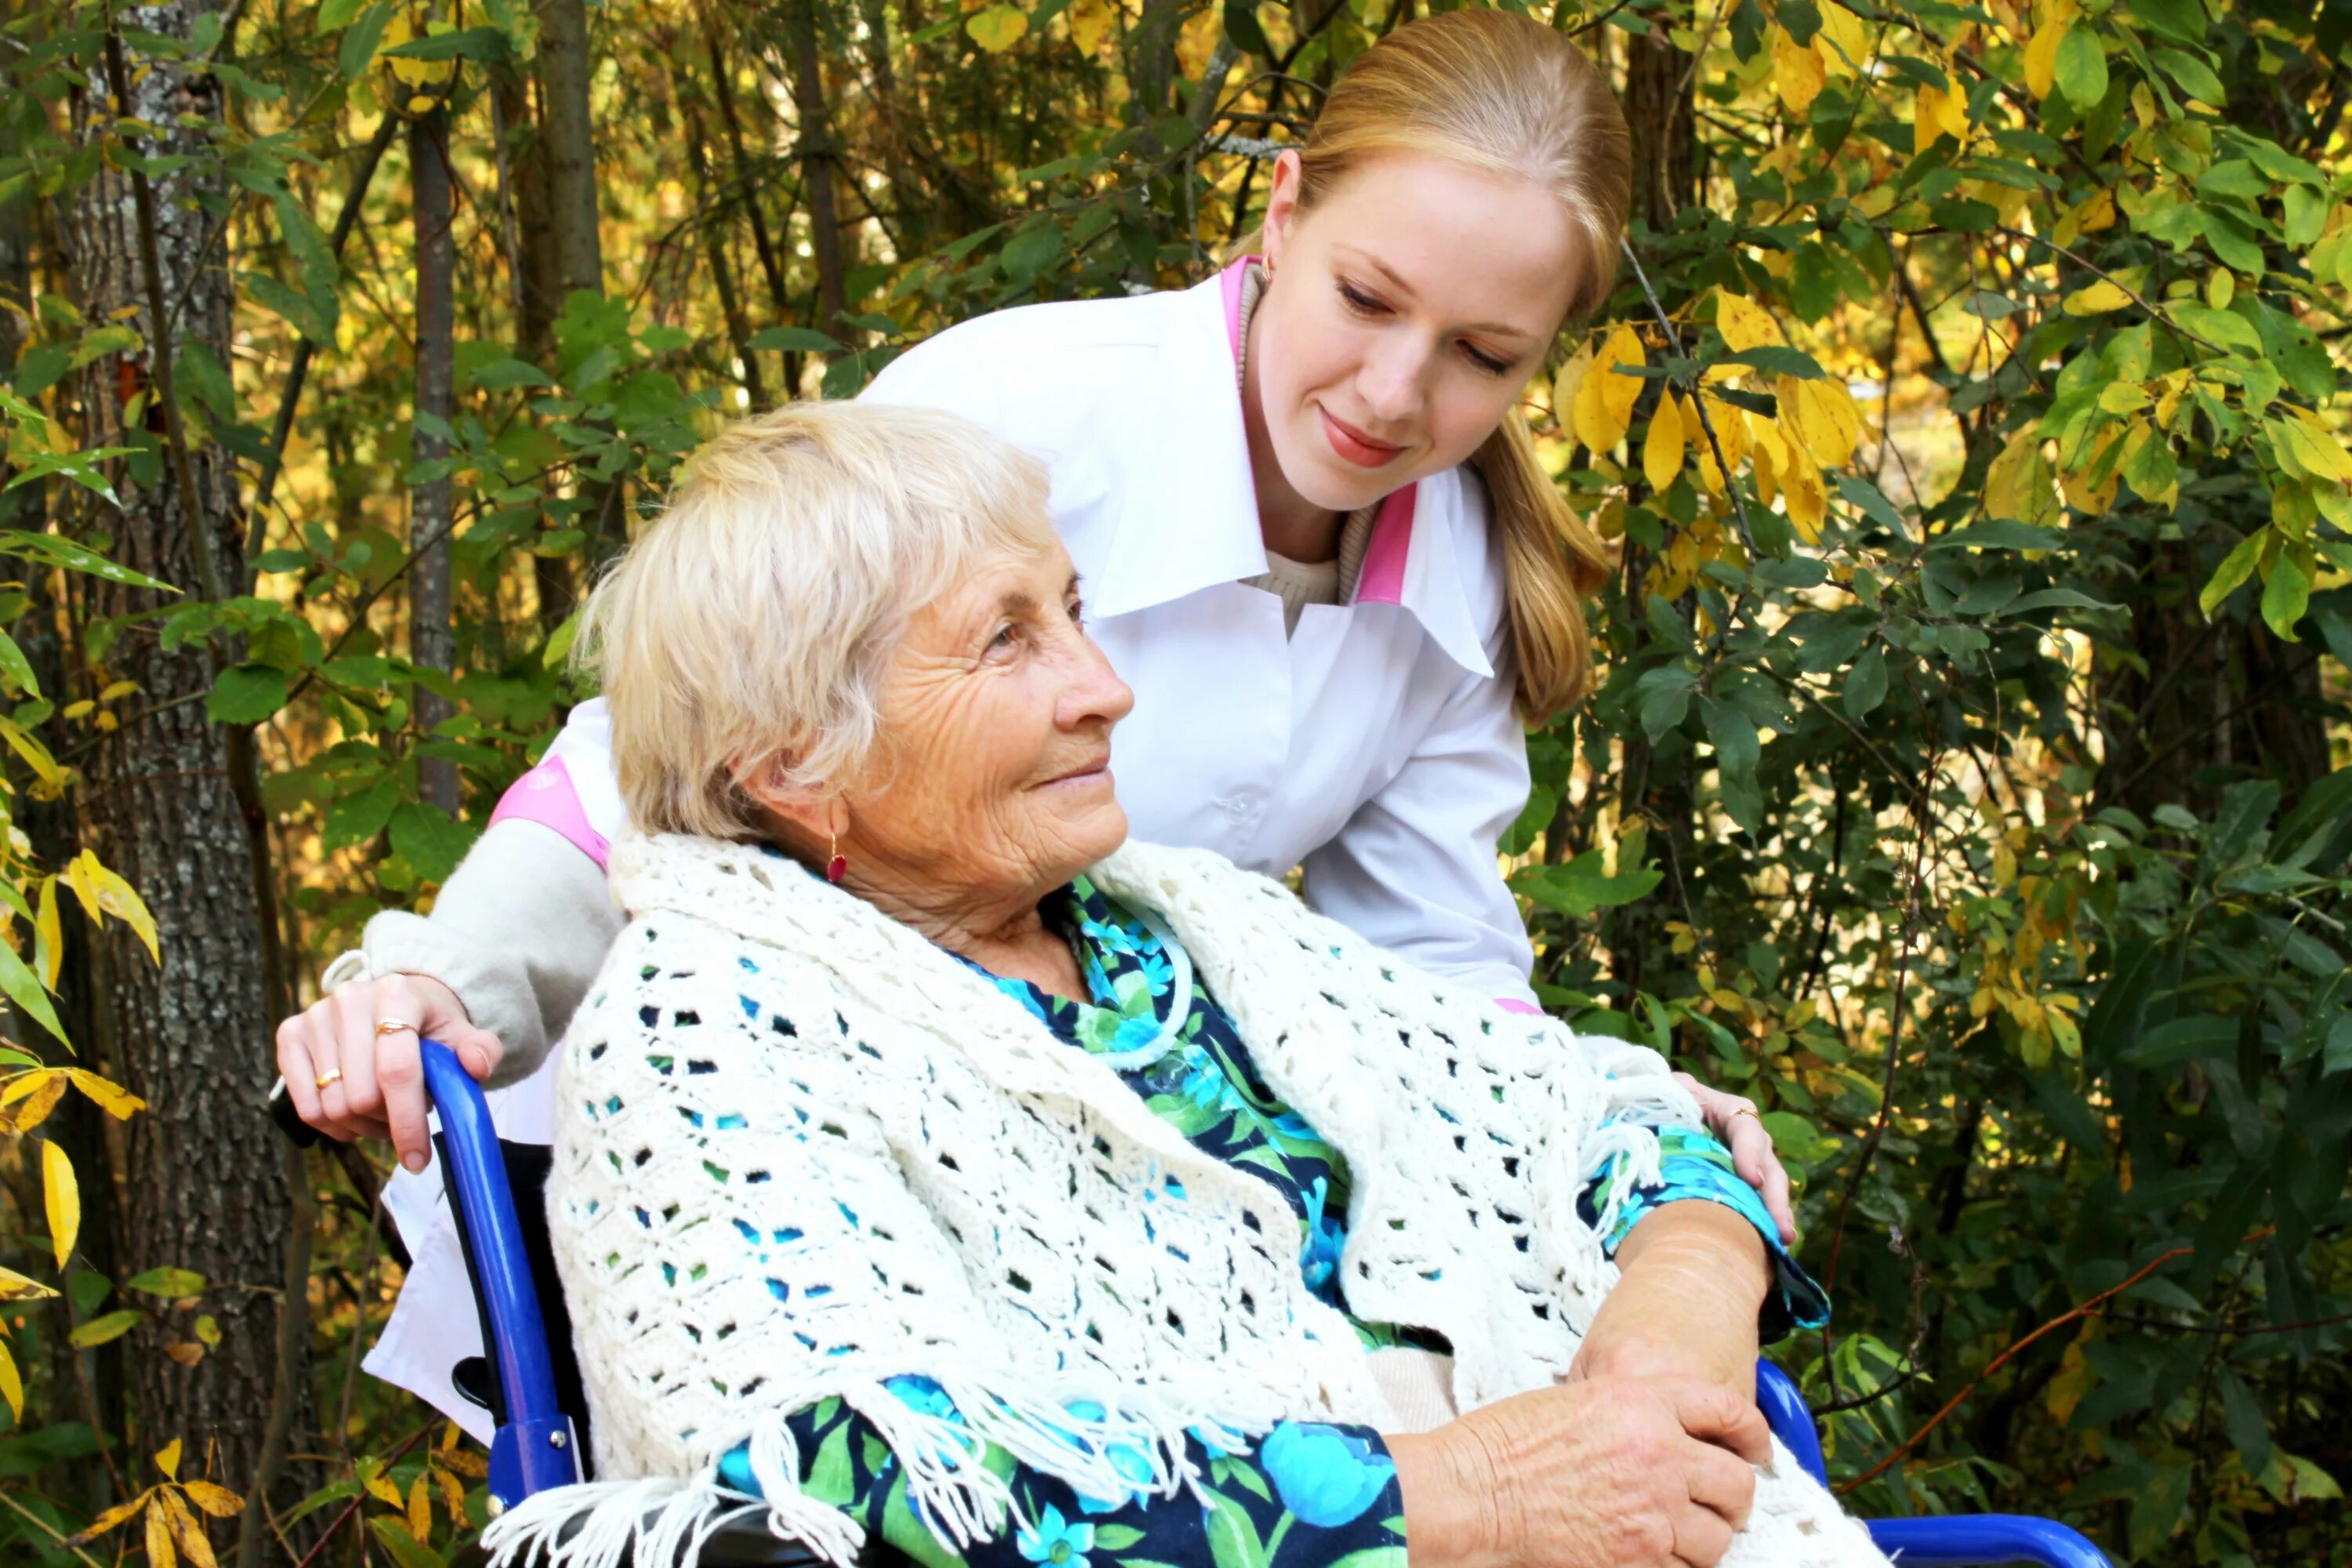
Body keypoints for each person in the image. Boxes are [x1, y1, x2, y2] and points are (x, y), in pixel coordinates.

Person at [276, 7, 1794, 1432]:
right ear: (1282, 212)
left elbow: (1432, 982)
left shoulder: (1457, 583)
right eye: (1367, 298)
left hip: (1074, 1158)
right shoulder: (1026, 403)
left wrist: (1617, 1123)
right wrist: (438, 980)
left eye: (1485, 357)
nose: (1396, 393)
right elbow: (667, 748)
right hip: (767, 1110)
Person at [463, 401, 1878, 1568]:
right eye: (1008, 639)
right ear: (794, 762)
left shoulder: (1180, 926)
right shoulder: (705, 1033)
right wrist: (1478, 1497)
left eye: (1073, 613)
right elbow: (885, 1497)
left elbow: (1615, 1117)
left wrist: (1678, 1307)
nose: (1105, 687)